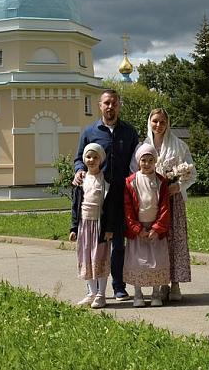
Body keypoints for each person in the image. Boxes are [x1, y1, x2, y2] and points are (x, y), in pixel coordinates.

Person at [73, 89, 139, 300]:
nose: (110, 107)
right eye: (106, 103)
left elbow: (135, 161)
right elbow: (79, 159)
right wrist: (78, 171)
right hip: (95, 197)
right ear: (99, 106)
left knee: (118, 243)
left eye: (114, 103)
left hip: (120, 195)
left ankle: (118, 286)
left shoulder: (129, 132)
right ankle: (93, 290)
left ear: (119, 105)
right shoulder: (90, 131)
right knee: (94, 245)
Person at [143, 108, 195, 302]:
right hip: (152, 201)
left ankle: (175, 284)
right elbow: (136, 171)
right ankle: (161, 282)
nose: (158, 125)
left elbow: (191, 172)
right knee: (158, 240)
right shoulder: (144, 145)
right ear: (150, 122)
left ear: (168, 123)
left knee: (175, 239)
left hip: (173, 201)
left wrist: (179, 185)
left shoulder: (179, 146)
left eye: (162, 122)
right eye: (155, 121)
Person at [123, 143, 171, 307]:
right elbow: (128, 208)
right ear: (138, 161)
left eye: (151, 160)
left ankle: (156, 293)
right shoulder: (131, 182)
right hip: (138, 230)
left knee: (157, 261)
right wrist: (137, 229)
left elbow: (164, 207)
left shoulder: (161, 181)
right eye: (144, 160)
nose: (147, 163)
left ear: (155, 161)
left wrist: (157, 228)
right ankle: (138, 294)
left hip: (155, 230)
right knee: (138, 262)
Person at [69, 143, 114, 309]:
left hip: (100, 227)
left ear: (101, 159)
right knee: (86, 258)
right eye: (88, 157)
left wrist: (109, 228)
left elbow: (110, 207)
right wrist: (74, 228)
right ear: (84, 159)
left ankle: (101, 294)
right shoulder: (80, 181)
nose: (92, 160)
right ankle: (91, 292)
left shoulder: (105, 181)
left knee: (100, 258)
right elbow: (75, 207)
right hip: (84, 226)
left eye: (95, 157)